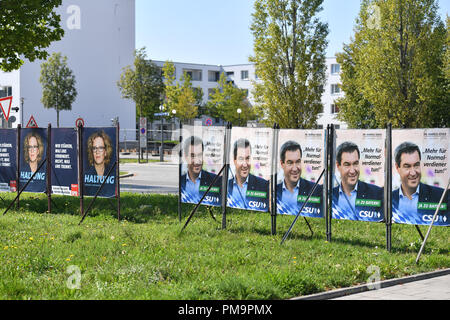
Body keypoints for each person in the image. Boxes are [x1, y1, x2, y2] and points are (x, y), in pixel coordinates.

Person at [392, 142, 449, 225]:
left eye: (416, 165)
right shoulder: (389, 198)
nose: (413, 172)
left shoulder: (443, 196)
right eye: (407, 166)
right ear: (397, 168)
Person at [332, 141, 383, 222]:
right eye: (347, 164)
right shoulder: (330, 196)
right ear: (338, 166)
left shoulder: (378, 194)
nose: (352, 171)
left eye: (355, 163)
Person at [276, 141, 323, 217]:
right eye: (290, 163)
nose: (295, 168)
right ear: (282, 164)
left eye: (298, 162)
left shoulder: (316, 190)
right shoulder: (274, 190)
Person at [227, 138, 269, 211]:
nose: (245, 164)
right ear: (234, 161)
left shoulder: (263, 185)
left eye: (247, 158)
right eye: (241, 159)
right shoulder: (226, 185)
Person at [180, 136, 222, 206]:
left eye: (199, 155)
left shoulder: (216, 180)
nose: (197, 161)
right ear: (185, 157)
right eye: (193, 156)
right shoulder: (181, 181)